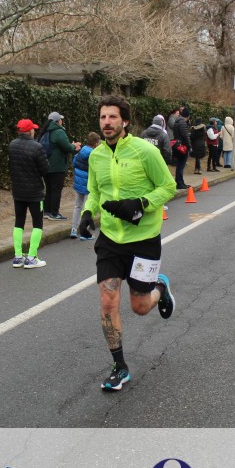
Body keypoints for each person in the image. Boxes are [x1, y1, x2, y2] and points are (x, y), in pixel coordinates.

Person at [76, 95, 177, 391]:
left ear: (125, 121)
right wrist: (87, 213)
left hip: (143, 240)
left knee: (140, 307)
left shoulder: (145, 151)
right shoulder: (96, 156)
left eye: (113, 117)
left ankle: (161, 288)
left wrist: (141, 203)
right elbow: (95, 192)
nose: (107, 122)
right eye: (103, 117)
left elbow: (168, 187)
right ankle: (119, 367)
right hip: (110, 239)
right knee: (108, 301)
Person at [8, 119, 50, 267]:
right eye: (33, 129)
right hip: (35, 192)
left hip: (18, 191)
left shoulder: (12, 145)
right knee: (37, 223)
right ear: (30, 131)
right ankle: (32, 257)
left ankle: (18, 256)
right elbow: (45, 169)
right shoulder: (37, 147)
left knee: (19, 222)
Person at [41, 112, 81, 220]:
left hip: (46, 165)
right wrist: (74, 146)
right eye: (61, 119)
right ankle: (54, 213)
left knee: (49, 189)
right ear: (58, 121)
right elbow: (67, 147)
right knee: (56, 189)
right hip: (57, 166)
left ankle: (46, 211)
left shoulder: (45, 131)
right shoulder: (59, 132)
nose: (62, 121)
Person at [71, 132, 101, 240]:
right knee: (87, 208)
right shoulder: (94, 154)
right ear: (96, 143)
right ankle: (85, 232)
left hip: (78, 183)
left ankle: (74, 229)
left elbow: (74, 163)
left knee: (77, 206)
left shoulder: (81, 151)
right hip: (88, 184)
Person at [169, 106, 191, 190]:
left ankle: (180, 182)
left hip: (177, 145)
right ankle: (180, 183)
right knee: (181, 165)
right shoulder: (182, 123)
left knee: (179, 165)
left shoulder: (177, 121)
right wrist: (189, 146)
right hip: (183, 146)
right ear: (187, 116)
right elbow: (185, 135)